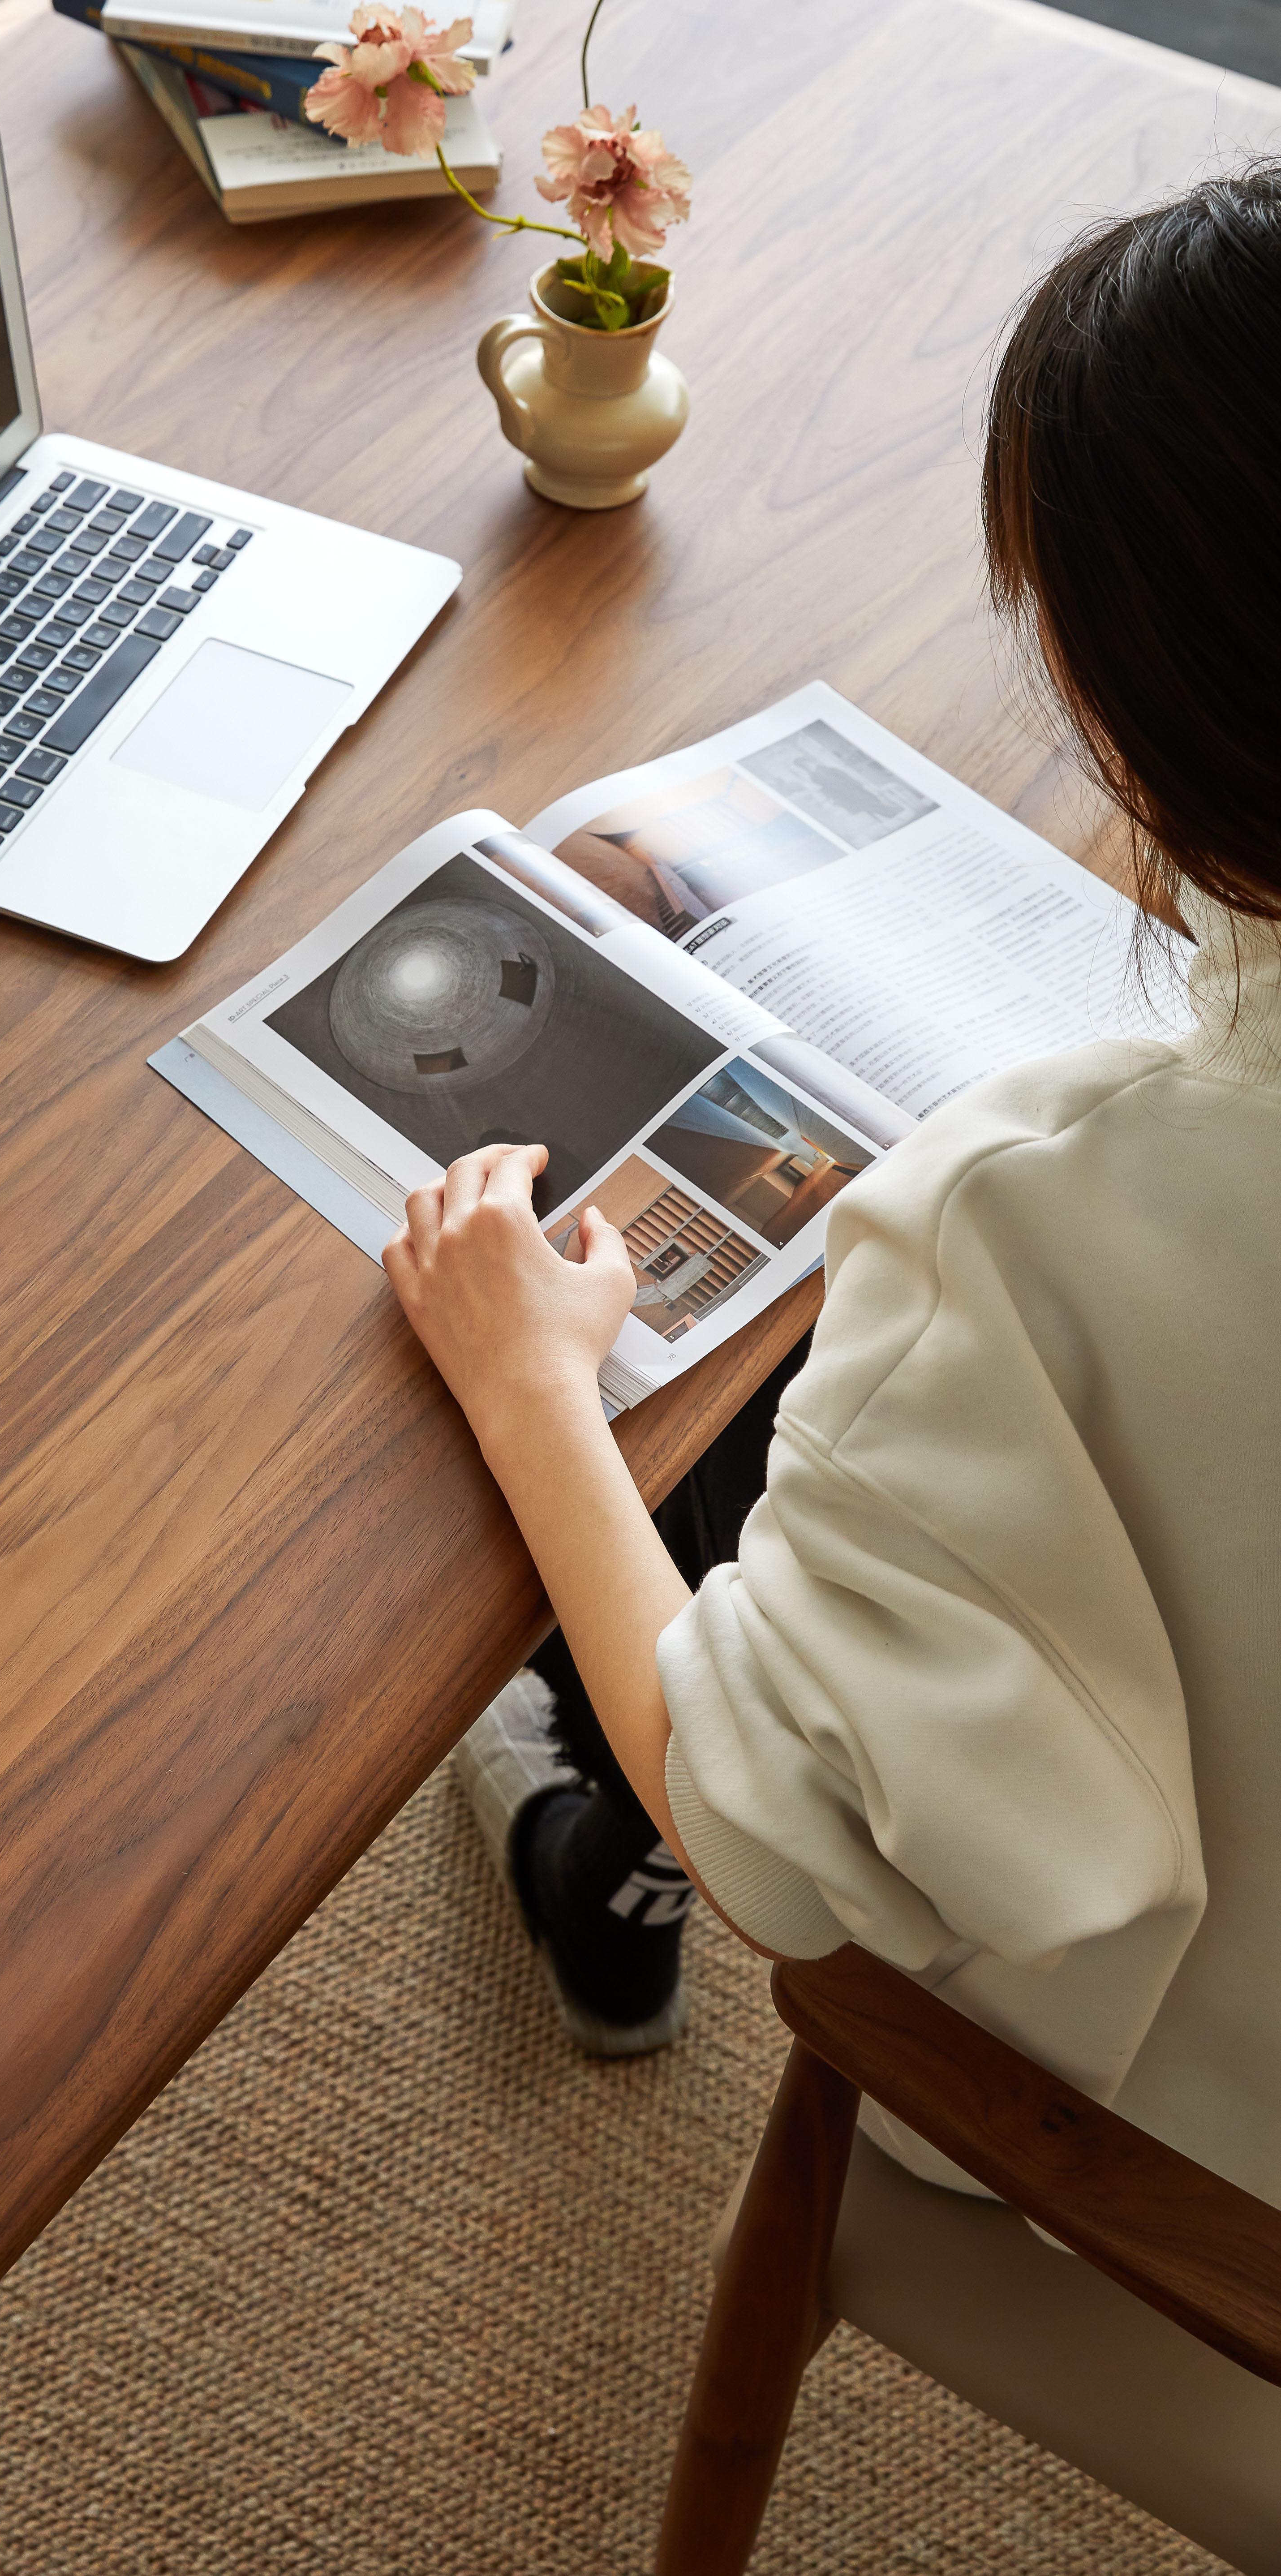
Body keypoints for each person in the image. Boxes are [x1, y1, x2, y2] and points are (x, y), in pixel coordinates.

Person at [384, 160, 1281, 2203]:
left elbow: (773, 1848)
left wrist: (524, 1384)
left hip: (1181, 2170)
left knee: (731, 1406)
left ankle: (592, 1858)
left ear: (1138, 697)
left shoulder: (1023, 1228)